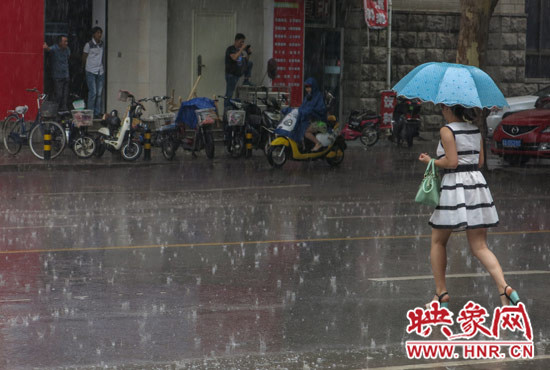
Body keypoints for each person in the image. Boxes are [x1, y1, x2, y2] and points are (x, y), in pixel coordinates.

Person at [418, 104, 520, 308]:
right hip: (477, 185)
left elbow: (452, 162)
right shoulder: (475, 129)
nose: (441, 110)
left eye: (442, 107)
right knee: (480, 246)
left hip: (455, 186)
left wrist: (431, 161)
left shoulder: (447, 130)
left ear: (448, 109)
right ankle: (505, 288)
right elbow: (480, 161)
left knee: (438, 241)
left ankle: (441, 294)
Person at [224, 33, 253, 109]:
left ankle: (246, 80)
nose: (242, 44)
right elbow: (234, 57)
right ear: (236, 41)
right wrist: (241, 49)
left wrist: (248, 53)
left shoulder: (240, 51)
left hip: (238, 74)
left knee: (250, 63)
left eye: (243, 42)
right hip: (231, 75)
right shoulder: (230, 49)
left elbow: (245, 61)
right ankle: (226, 111)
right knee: (229, 94)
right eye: (241, 42)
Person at [299, 78, 327, 151]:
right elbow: (302, 107)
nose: (307, 89)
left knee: (306, 132)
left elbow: (321, 109)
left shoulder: (318, 96)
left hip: (320, 122)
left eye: (309, 87)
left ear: (313, 87)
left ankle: (318, 143)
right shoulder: (307, 97)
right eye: (306, 87)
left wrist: (312, 111)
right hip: (310, 121)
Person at [43, 35, 70, 111]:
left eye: (67, 41)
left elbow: (68, 57)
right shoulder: (55, 48)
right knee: (59, 95)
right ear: (60, 42)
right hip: (57, 76)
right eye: (65, 41)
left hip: (66, 75)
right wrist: (46, 47)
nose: (66, 43)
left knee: (65, 95)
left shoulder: (67, 49)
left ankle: (63, 110)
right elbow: (48, 49)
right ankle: (56, 110)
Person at [82, 26, 105, 118]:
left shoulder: (102, 44)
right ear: (94, 34)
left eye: (100, 33)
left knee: (99, 93)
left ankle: (97, 112)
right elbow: (84, 57)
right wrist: (85, 67)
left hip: (100, 71)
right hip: (90, 71)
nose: (99, 35)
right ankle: (90, 113)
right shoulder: (89, 44)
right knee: (93, 92)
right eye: (98, 33)